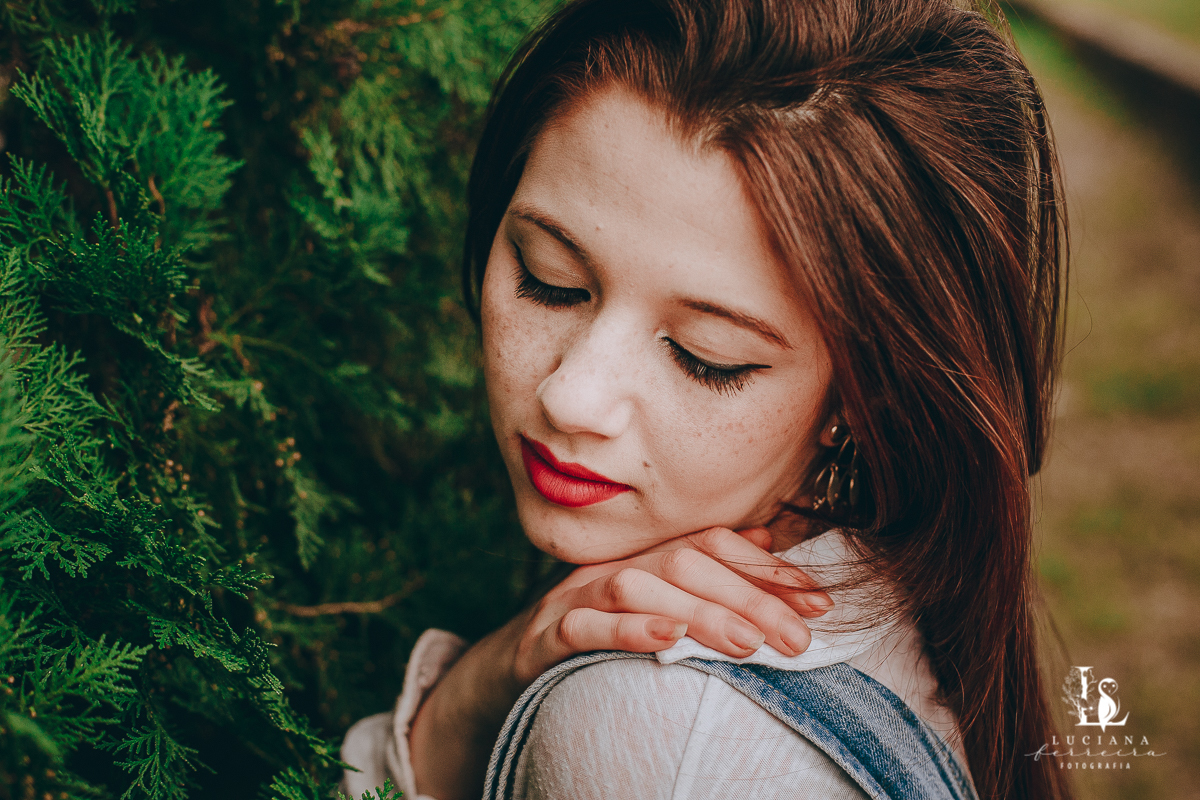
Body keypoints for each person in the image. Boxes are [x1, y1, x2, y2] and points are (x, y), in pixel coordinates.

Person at [341, 0, 1073, 797]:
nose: (572, 396)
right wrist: (483, 684)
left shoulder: (654, 734)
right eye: (549, 280)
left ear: (865, 398)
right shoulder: (888, 591)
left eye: (705, 357)